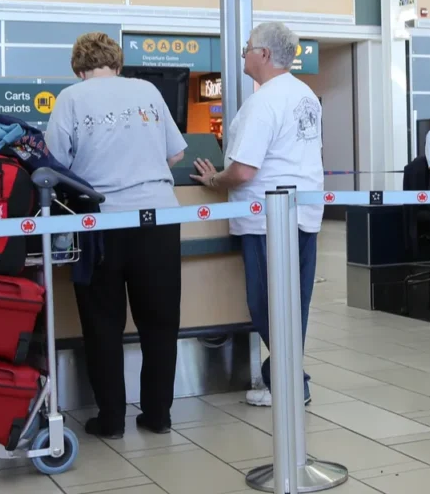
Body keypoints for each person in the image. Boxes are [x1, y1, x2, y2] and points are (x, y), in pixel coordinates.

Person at [45, 32, 187, 440]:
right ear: (118, 64)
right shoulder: (147, 91)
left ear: (78, 68)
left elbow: (57, 163)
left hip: (101, 224)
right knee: (160, 322)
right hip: (158, 218)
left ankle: (110, 421)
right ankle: (158, 415)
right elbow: (175, 154)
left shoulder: (72, 97)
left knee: (103, 323)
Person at [190, 22, 323, 407]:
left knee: (267, 304)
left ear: (264, 54)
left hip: (268, 220)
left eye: (248, 47)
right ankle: (287, 381)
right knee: (293, 304)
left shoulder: (264, 102)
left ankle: (291, 384)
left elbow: (244, 170)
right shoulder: (305, 95)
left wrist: (214, 179)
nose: (244, 53)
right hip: (304, 212)